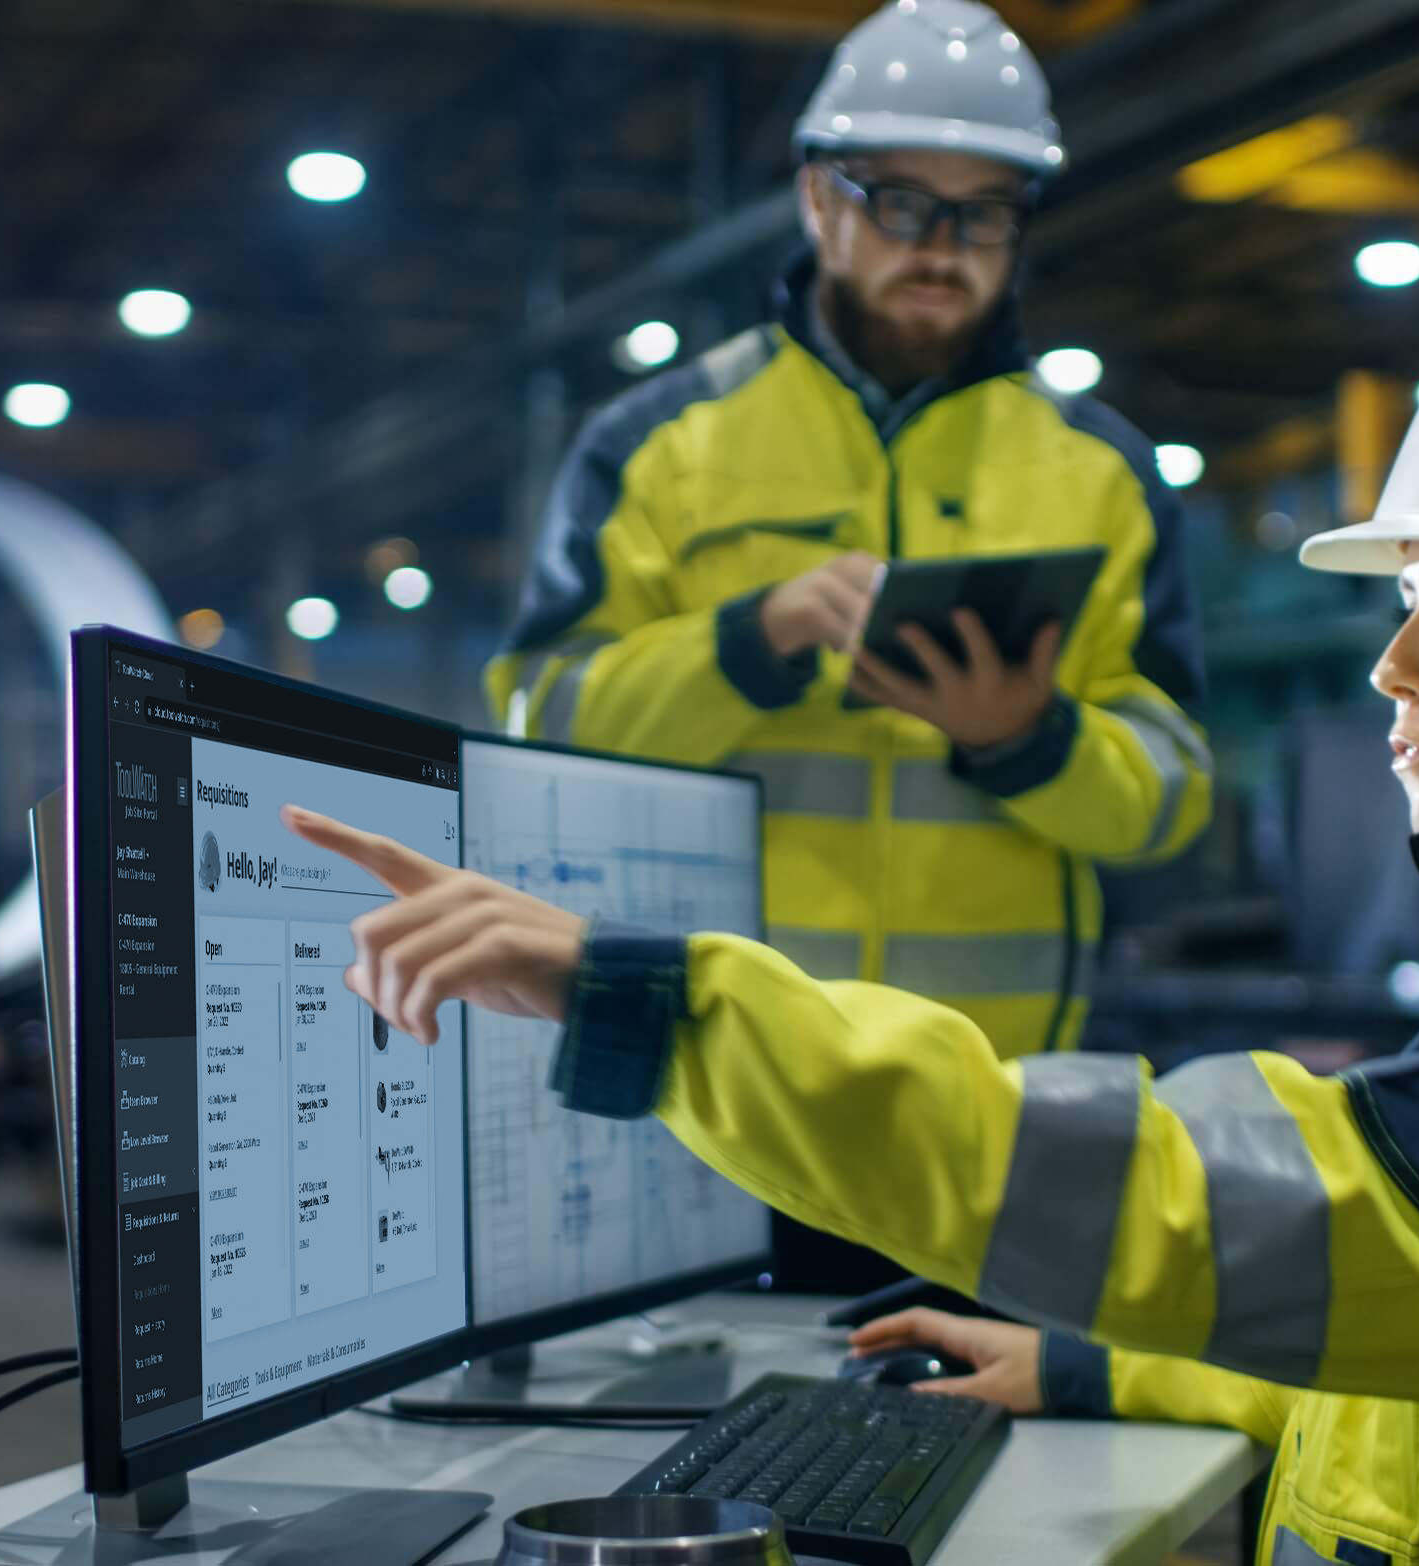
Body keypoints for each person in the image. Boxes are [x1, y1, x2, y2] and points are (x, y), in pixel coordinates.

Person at [293, 314, 1419, 1564]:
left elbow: (1206, 1190)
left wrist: (646, 1001)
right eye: (1407, 602)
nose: (1393, 667)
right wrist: (1100, 1367)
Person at [483, 0, 1212, 1066]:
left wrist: (1029, 737)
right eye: (902, 204)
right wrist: (749, 642)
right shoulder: (657, 445)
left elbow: (1173, 797)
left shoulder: (1103, 475)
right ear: (818, 199)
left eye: (987, 212)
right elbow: (536, 727)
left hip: (987, 1101)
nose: (944, 248)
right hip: (721, 1080)